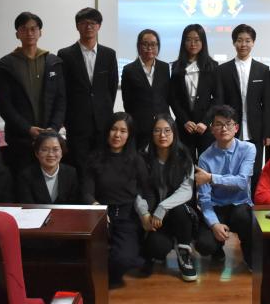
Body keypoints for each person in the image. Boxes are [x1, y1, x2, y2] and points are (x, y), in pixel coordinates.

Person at [81, 112, 149, 288]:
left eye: (123, 131)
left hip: (127, 215)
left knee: (124, 259)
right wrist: (98, 209)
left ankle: (112, 274)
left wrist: (144, 213)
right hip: (100, 215)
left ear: (129, 135)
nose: (117, 135)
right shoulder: (94, 158)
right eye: (113, 129)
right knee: (88, 256)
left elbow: (146, 190)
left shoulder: (137, 160)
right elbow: (86, 192)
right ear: (107, 131)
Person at [0, 12, 65, 173]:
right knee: (22, 179)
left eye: (34, 29)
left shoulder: (53, 62)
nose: (29, 33)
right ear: (17, 34)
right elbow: (4, 104)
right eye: (24, 29)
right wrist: (27, 129)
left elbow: (61, 100)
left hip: (50, 138)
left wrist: (53, 129)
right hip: (19, 138)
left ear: (40, 32)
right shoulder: (7, 65)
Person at [138, 114, 197, 282]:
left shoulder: (184, 156)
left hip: (178, 214)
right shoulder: (143, 158)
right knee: (156, 248)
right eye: (157, 131)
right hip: (154, 218)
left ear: (174, 133)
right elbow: (137, 191)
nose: (162, 135)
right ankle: (158, 249)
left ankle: (184, 253)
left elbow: (187, 190)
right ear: (151, 134)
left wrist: (163, 207)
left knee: (179, 209)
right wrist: (144, 213)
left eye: (167, 130)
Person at [58, 7, 118, 172]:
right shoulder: (65, 54)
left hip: (103, 121)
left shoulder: (109, 54)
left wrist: (104, 109)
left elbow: (112, 87)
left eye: (93, 23)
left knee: (102, 165)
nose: (89, 27)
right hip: (76, 122)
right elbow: (63, 89)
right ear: (77, 26)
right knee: (80, 166)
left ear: (99, 26)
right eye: (84, 23)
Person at [195, 105, 255, 269]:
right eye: (218, 124)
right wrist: (214, 224)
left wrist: (211, 178)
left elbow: (242, 182)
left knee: (244, 217)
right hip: (217, 207)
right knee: (204, 245)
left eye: (228, 124)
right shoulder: (205, 158)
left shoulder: (248, 149)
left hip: (240, 205)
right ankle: (217, 249)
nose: (223, 128)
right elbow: (204, 198)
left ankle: (249, 253)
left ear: (236, 128)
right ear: (212, 129)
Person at [217, 24, 270, 191]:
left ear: (253, 42)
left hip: (255, 129)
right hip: (231, 128)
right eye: (239, 40)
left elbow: (267, 104)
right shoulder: (223, 70)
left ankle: (253, 202)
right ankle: (232, 201)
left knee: (254, 170)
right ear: (234, 43)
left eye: (248, 40)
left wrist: (267, 132)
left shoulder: (262, 69)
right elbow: (220, 102)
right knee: (231, 169)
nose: (243, 44)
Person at [170, 24, 222, 160]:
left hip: (205, 127)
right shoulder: (176, 66)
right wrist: (184, 121)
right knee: (185, 164)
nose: (193, 43)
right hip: (184, 126)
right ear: (183, 42)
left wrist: (206, 122)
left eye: (197, 40)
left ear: (203, 42)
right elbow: (173, 98)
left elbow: (218, 98)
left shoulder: (212, 66)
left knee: (207, 164)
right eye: (188, 40)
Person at [121, 29, 171, 152]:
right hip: (139, 126)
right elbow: (127, 101)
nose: (149, 48)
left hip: (162, 125)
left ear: (158, 46)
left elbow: (167, 96)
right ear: (139, 46)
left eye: (153, 44)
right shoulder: (129, 70)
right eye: (145, 44)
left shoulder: (164, 68)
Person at [17, 131, 80, 204]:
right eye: (45, 150)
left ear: (62, 152)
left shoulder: (71, 173)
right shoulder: (26, 176)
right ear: (37, 153)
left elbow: (73, 203)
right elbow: (27, 205)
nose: (50, 154)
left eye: (55, 149)